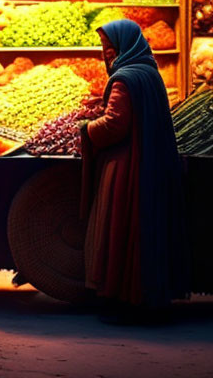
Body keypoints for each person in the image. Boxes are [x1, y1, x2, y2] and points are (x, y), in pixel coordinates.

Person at [80, 19, 190, 322]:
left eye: (111, 50)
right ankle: (144, 295)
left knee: (121, 228)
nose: (106, 57)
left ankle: (122, 297)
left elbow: (115, 124)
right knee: (146, 228)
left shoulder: (123, 79)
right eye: (104, 50)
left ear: (126, 48)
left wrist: (87, 128)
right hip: (152, 162)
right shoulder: (149, 73)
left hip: (127, 167)